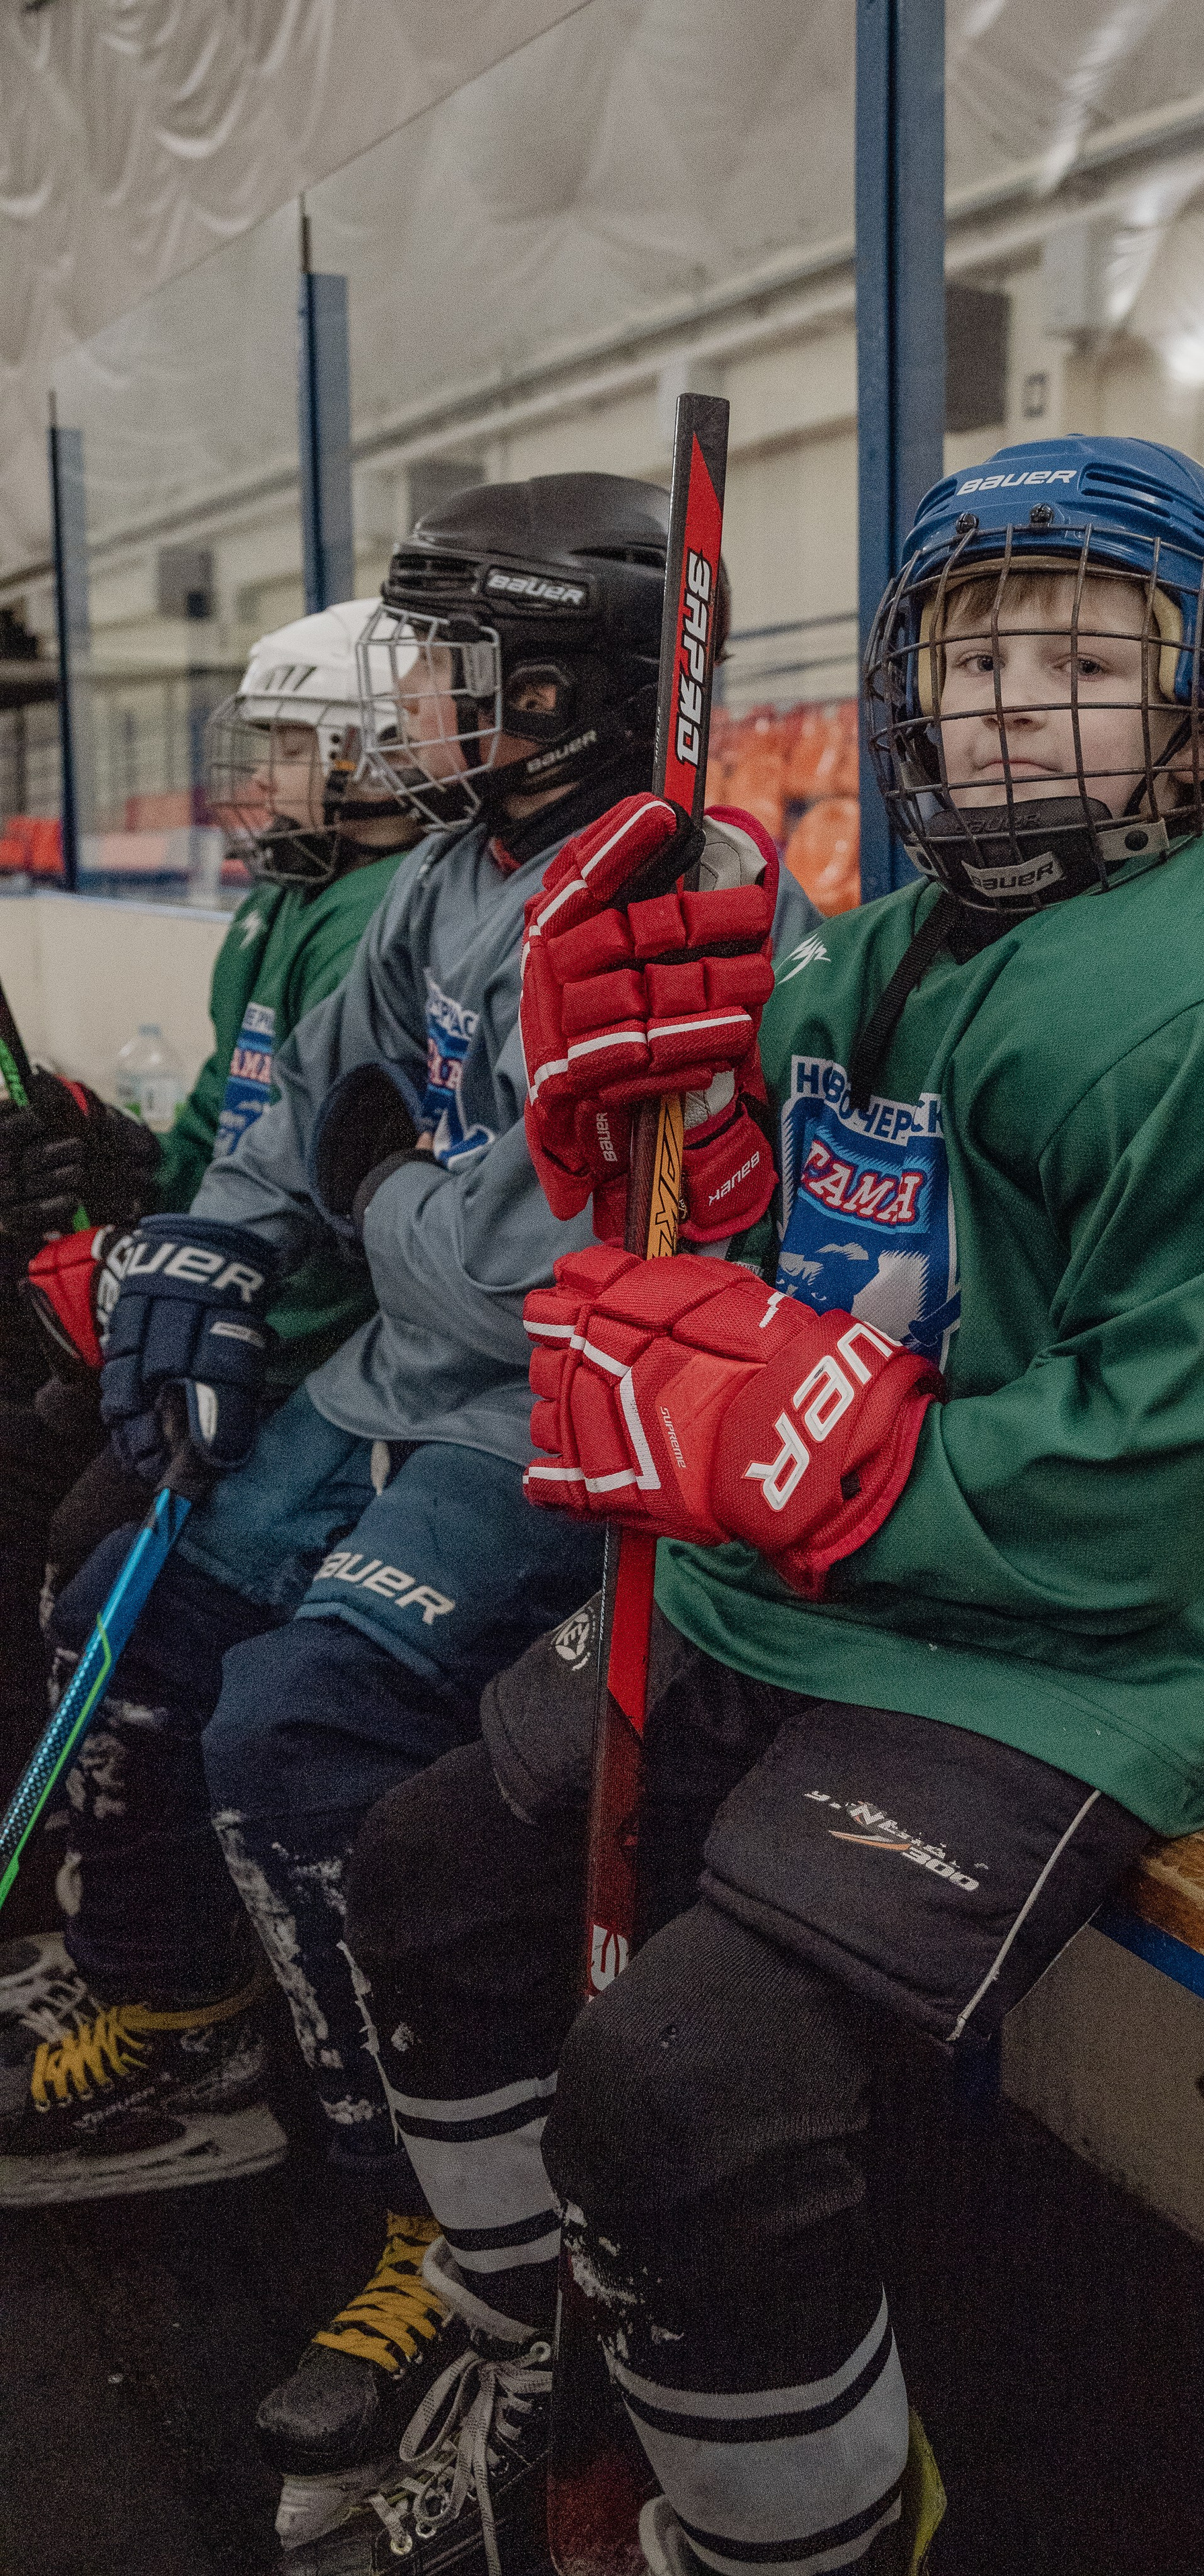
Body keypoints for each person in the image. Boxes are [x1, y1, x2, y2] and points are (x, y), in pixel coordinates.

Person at [286, 433, 1204, 2576]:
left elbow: (1157, 1489)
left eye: (1090, 658)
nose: (1012, 702)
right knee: (426, 1862)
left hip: (1065, 1645)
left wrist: (808, 1446)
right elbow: (771, 1246)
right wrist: (676, 1162)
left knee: (680, 2087)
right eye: (974, 652)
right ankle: (547, 2334)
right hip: (803, 1578)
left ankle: (790, 2531)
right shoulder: (871, 948)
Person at [0, 476, 817, 2540]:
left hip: (547, 1431)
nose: (420, 705)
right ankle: (196, 2033)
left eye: (459, 667)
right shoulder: (451, 870)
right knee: (136, 1592)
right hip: (391, 1387)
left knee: (301, 1731)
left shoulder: (681, 889)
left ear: (563, 685)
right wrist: (209, 1245)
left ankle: (433, 2219)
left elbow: (539, 1281)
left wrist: (371, 1198)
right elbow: (297, 1114)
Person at [0, 598, 423, 2026]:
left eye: (295, 743)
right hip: (226, 1326)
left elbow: (341, 1214)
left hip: (303, 1363)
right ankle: (103, 1900)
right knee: (32, 1474)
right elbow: (210, 1155)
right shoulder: (282, 906)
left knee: (85, 1546)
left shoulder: (382, 915)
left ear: (377, 753)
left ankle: (172, 1968)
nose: (258, 777)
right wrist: (100, 1160)